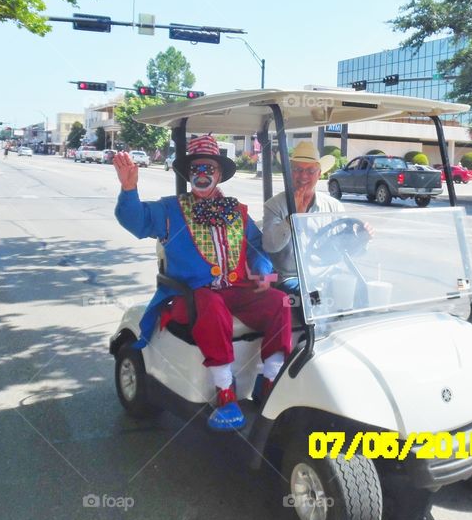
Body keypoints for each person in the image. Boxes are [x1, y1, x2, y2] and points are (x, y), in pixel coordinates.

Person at [114, 134, 290, 432]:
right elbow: (135, 220)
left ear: (219, 174)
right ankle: (225, 392)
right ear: (188, 174)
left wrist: (262, 272)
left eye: (209, 168)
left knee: (280, 302)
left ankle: (270, 379)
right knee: (210, 302)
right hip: (190, 296)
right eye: (196, 169)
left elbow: (257, 247)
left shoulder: (237, 211)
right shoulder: (170, 210)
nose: (203, 174)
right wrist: (129, 189)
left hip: (236, 290)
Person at [262, 141, 343, 287]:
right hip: (292, 278)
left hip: (326, 277)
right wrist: (292, 219)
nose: (303, 176)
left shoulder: (334, 206)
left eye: (310, 171)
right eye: (297, 169)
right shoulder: (274, 205)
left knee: (358, 292)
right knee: (315, 299)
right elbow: (270, 245)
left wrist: (362, 236)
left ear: (319, 174)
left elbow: (345, 245)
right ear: (289, 173)